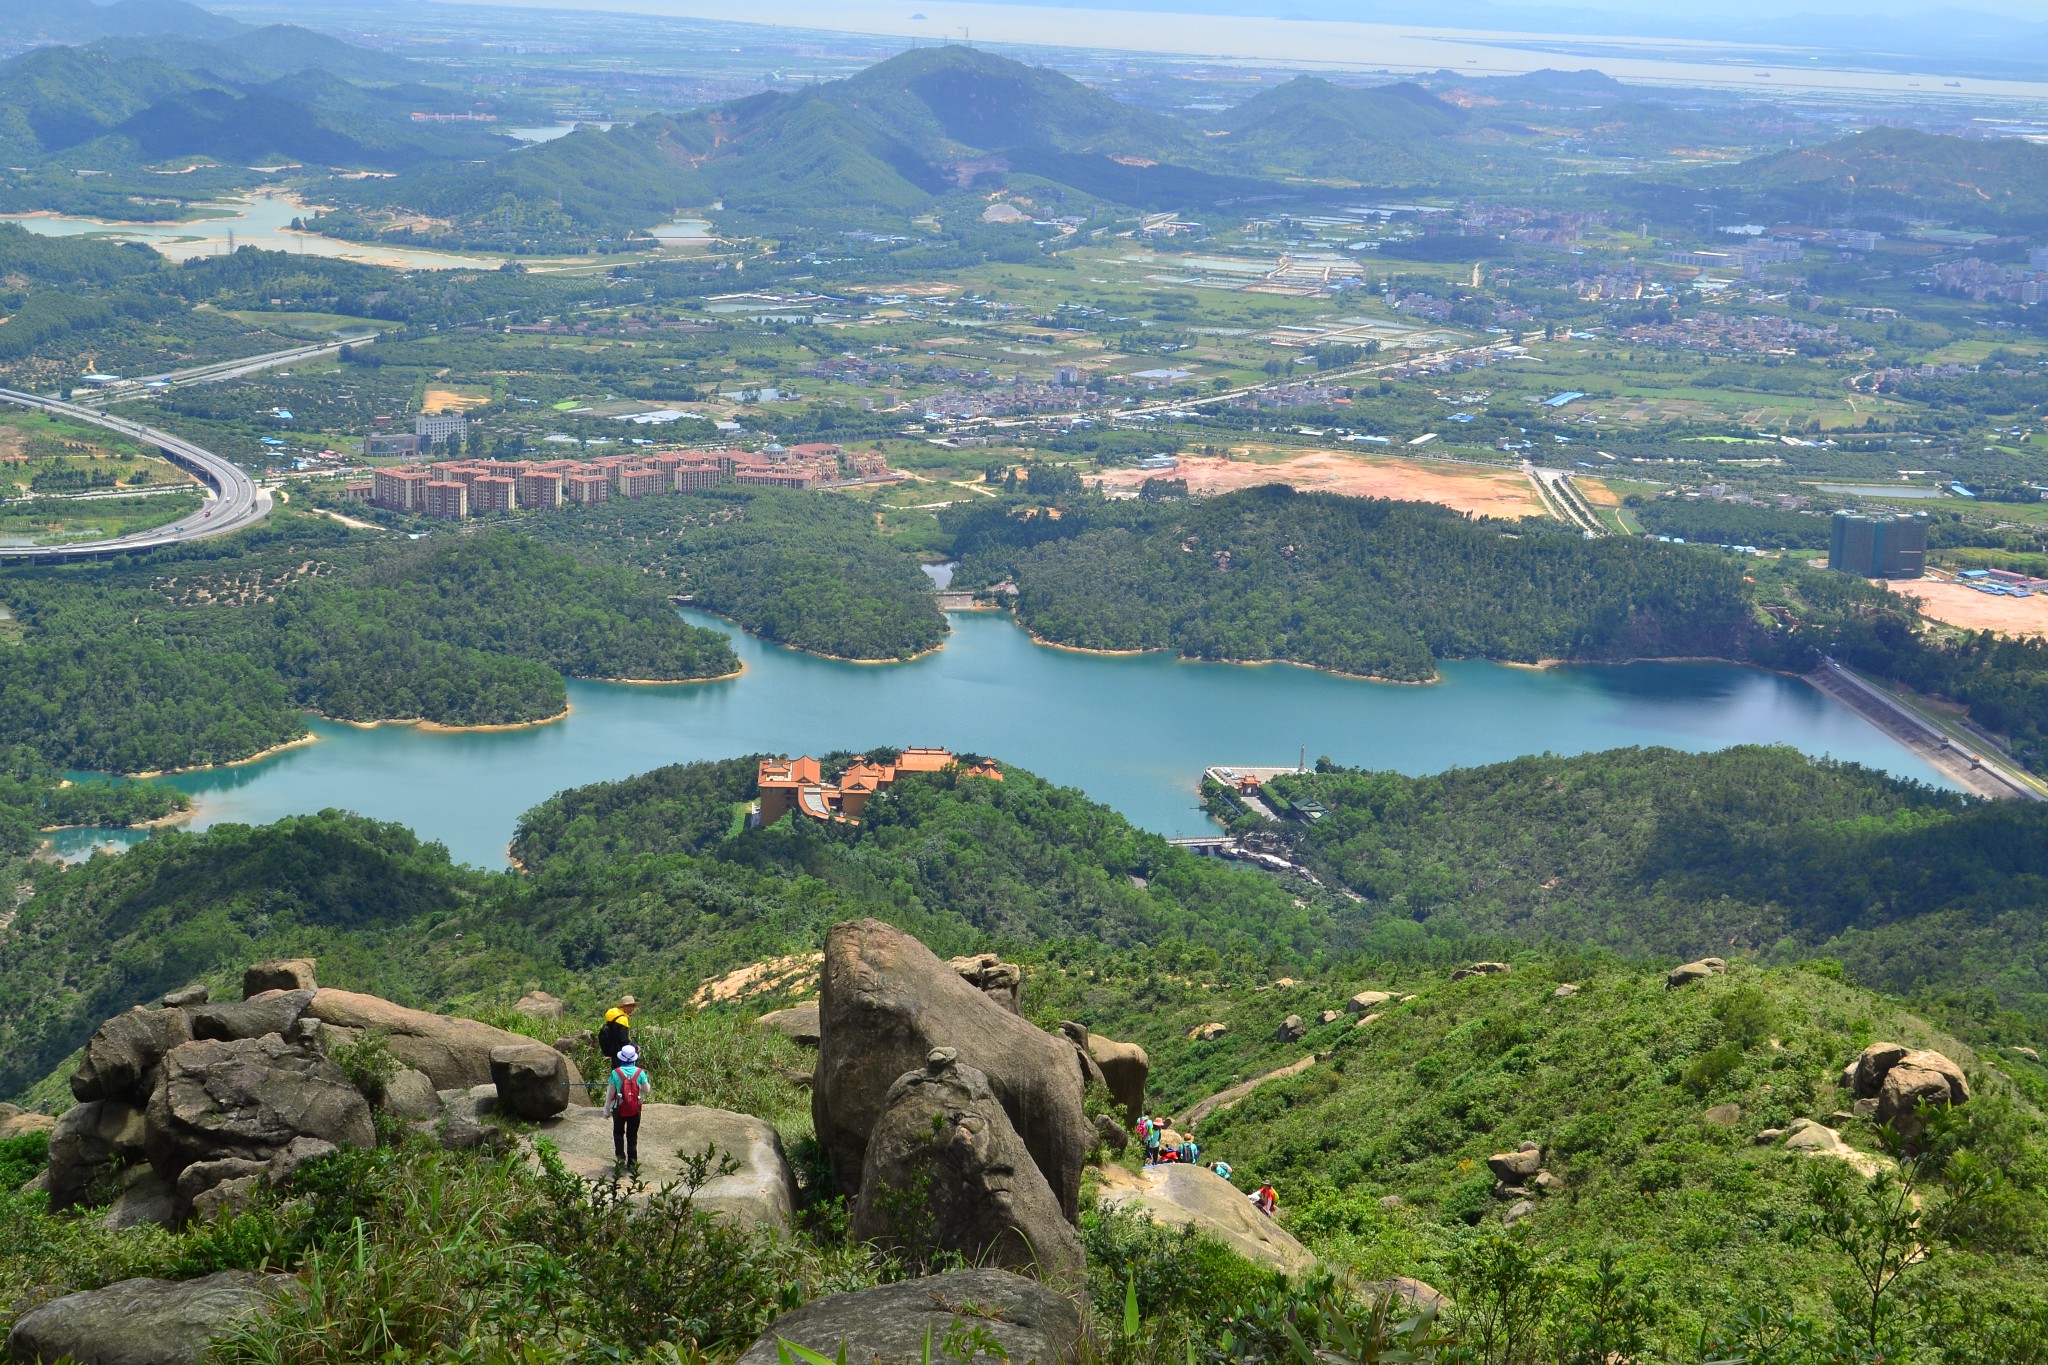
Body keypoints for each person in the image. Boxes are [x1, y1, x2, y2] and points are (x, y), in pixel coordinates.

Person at [607, 1043, 650, 1171]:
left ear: (621, 1058)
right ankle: (632, 1163)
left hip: (618, 1108)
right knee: (632, 1135)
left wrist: (606, 1109)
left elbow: (610, 1093)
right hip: (635, 1109)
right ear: (634, 1058)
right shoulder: (640, 1072)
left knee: (618, 1133)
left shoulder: (616, 1073)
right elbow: (646, 1090)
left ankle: (620, 1159)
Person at [598, 997, 635, 1071]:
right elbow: (624, 1040)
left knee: (616, 1074)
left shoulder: (613, 1018)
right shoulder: (622, 1019)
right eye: (631, 1006)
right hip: (622, 1055)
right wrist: (635, 1047)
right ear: (625, 1006)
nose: (632, 1008)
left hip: (614, 1052)